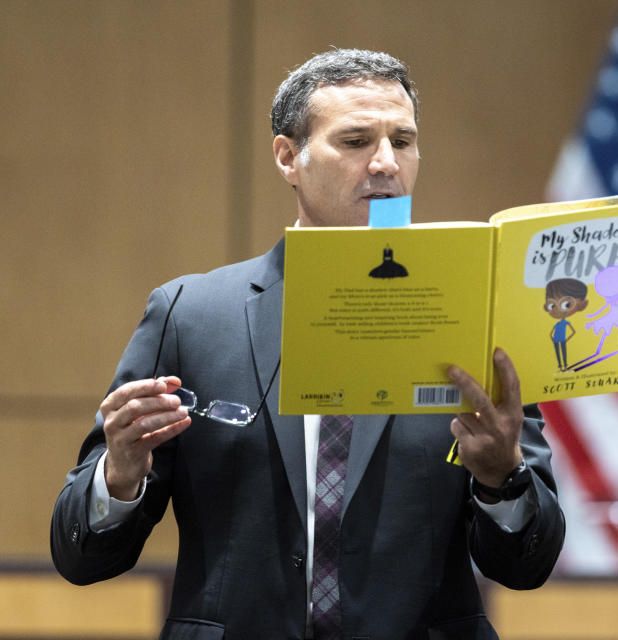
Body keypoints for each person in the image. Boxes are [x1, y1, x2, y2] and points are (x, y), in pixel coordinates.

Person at [51, 49, 565, 640]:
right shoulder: (190, 316)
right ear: (288, 157)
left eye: (403, 140)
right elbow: (82, 558)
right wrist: (119, 475)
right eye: (355, 141)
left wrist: (503, 478)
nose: (385, 163)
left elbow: (528, 566)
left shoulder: (479, 313)